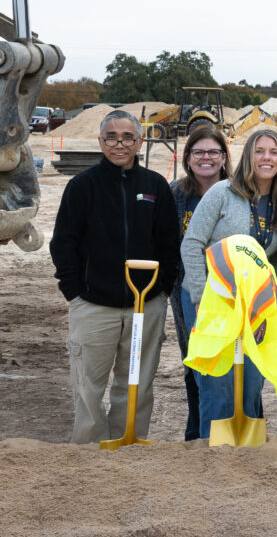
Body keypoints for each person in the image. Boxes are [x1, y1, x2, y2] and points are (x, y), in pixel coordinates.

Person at [50, 109, 180, 444]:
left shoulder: (155, 186)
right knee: (88, 386)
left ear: (139, 141)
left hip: (145, 305)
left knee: (136, 382)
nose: (119, 143)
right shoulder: (82, 187)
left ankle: (128, 446)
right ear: (100, 141)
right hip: (94, 306)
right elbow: (63, 243)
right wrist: (74, 292)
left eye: (126, 137)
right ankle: (91, 452)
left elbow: (169, 242)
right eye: (111, 137)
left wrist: (161, 290)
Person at [180, 129, 277, 439]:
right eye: (259, 151)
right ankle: (212, 453)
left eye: (273, 152)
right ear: (247, 157)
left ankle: (246, 453)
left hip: (255, 305)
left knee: (252, 378)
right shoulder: (222, 192)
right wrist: (202, 298)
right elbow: (192, 244)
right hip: (212, 303)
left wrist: (269, 297)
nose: (266, 158)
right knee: (216, 379)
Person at [169, 125, 231, 441]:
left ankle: (233, 427)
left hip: (231, 295)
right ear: (188, 157)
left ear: (223, 157)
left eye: (213, 152)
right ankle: (197, 430)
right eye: (199, 152)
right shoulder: (175, 194)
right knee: (195, 361)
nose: (206, 158)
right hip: (187, 292)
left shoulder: (237, 192)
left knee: (234, 364)